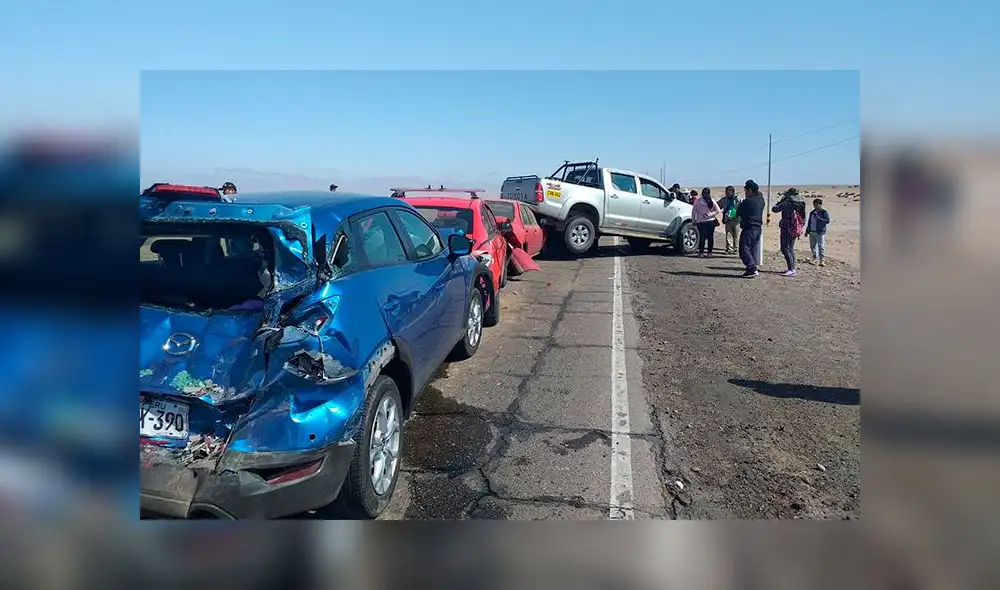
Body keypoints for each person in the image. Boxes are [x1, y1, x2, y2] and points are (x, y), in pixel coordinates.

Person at [771, 187, 807, 277]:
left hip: (786, 228)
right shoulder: (801, 203)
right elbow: (803, 218)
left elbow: (774, 209)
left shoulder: (787, 203)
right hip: (796, 228)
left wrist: (780, 202)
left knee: (784, 248)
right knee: (790, 248)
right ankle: (792, 268)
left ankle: (791, 269)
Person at [736, 179, 765, 278]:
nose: (745, 192)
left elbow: (739, 212)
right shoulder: (761, 199)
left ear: (750, 190)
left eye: (746, 190)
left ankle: (752, 269)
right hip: (757, 228)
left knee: (744, 249)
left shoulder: (748, 201)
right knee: (751, 249)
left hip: (749, 228)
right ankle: (750, 269)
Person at [692, 187, 722, 257]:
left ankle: (701, 252)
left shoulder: (698, 201)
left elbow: (693, 211)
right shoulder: (712, 200)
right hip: (710, 221)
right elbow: (718, 210)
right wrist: (710, 214)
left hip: (701, 221)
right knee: (710, 237)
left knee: (702, 237)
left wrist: (694, 220)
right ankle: (709, 253)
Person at [805, 197, 831, 266]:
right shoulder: (812, 212)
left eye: (816, 205)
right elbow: (809, 222)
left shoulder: (824, 212)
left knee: (821, 246)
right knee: (812, 246)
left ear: (820, 205)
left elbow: (827, 221)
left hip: (820, 232)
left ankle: (822, 260)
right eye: (814, 205)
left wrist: (818, 218)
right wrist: (807, 230)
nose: (815, 206)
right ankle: (814, 258)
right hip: (812, 231)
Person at [718, 185, 741, 255]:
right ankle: (729, 248)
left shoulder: (738, 199)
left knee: (736, 235)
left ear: (732, 192)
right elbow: (718, 205)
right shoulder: (724, 200)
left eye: (728, 192)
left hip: (736, 220)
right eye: (726, 192)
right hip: (728, 220)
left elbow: (741, 208)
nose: (726, 193)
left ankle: (736, 249)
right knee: (728, 234)